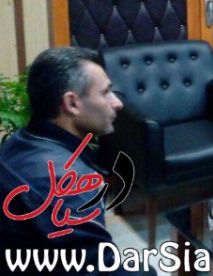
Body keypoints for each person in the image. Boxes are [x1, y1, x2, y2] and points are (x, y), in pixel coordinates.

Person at [0, 47, 148, 275]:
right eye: (106, 92)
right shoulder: (68, 184)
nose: (117, 103)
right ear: (71, 103)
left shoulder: (18, 143)